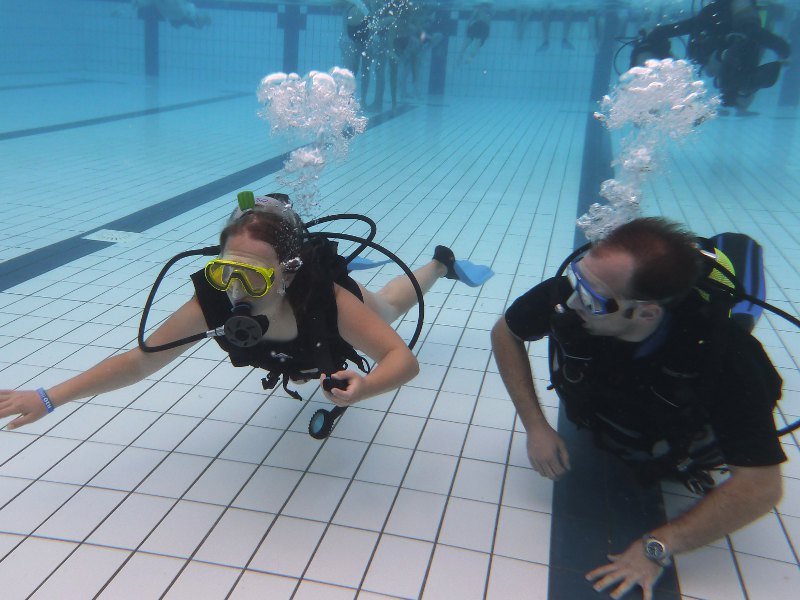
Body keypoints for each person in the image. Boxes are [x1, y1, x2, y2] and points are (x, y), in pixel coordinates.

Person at [0, 193, 491, 430]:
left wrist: (366, 387)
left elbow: (403, 361)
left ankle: (439, 265)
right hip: (303, 338)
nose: (237, 291)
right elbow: (141, 362)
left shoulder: (325, 299)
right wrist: (49, 397)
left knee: (389, 305)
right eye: (226, 271)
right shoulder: (216, 299)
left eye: (254, 276)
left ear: (289, 272)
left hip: (328, 313)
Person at [491, 217, 785, 599]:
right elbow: (506, 331)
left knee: (741, 318)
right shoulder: (572, 294)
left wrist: (658, 545)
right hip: (614, 415)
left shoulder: (728, 359)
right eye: (578, 279)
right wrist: (535, 425)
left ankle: (732, 250)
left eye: (591, 299)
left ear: (645, 313)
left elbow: (762, 487)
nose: (572, 302)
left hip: (681, 444)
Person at [631, 0, 791, 112]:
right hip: (728, 48)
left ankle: (728, 71)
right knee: (735, 85)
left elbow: (684, 28)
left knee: (732, 82)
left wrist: (653, 36)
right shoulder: (719, 16)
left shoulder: (715, 16)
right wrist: (783, 50)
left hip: (728, 48)